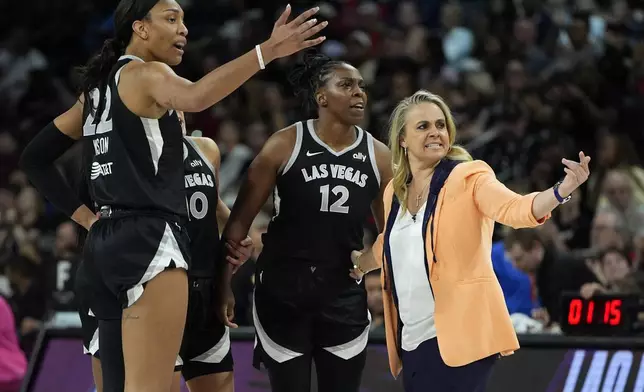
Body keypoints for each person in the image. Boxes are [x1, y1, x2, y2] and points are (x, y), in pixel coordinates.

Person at [19, 0, 327, 390]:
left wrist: (84, 218)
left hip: (100, 248)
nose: (183, 29)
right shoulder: (147, 74)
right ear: (140, 28)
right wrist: (267, 51)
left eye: (184, 20)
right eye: (171, 18)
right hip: (150, 240)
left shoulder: (95, 91)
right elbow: (197, 96)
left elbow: (34, 158)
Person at [351, 90, 591, 392]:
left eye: (440, 124)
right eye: (423, 126)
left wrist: (561, 190)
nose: (435, 132)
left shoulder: (469, 177)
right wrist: (360, 265)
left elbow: (515, 209)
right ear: (402, 139)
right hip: (412, 343)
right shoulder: (394, 193)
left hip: (461, 339)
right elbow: (390, 243)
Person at [221, 51, 392, 392]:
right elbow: (239, 223)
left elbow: (393, 232)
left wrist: (376, 270)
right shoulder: (284, 144)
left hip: (342, 290)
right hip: (283, 290)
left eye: (361, 86)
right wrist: (223, 284)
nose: (359, 93)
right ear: (321, 97)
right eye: (347, 85)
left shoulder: (379, 155)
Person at [78, 116, 252, 392]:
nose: (174, 114)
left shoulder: (205, 149)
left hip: (204, 291)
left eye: (176, 108)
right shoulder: (130, 159)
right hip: (159, 287)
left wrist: (237, 235)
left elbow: (212, 200)